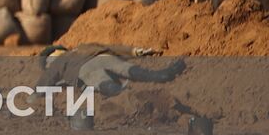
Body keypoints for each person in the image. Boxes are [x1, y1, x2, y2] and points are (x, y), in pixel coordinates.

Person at [37, 43, 186, 96]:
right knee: (128, 69)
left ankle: (124, 94)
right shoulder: (83, 46)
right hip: (103, 56)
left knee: (103, 83)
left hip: (84, 69)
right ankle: (162, 74)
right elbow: (112, 48)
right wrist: (134, 51)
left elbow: (48, 78)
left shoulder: (59, 62)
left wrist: (36, 93)